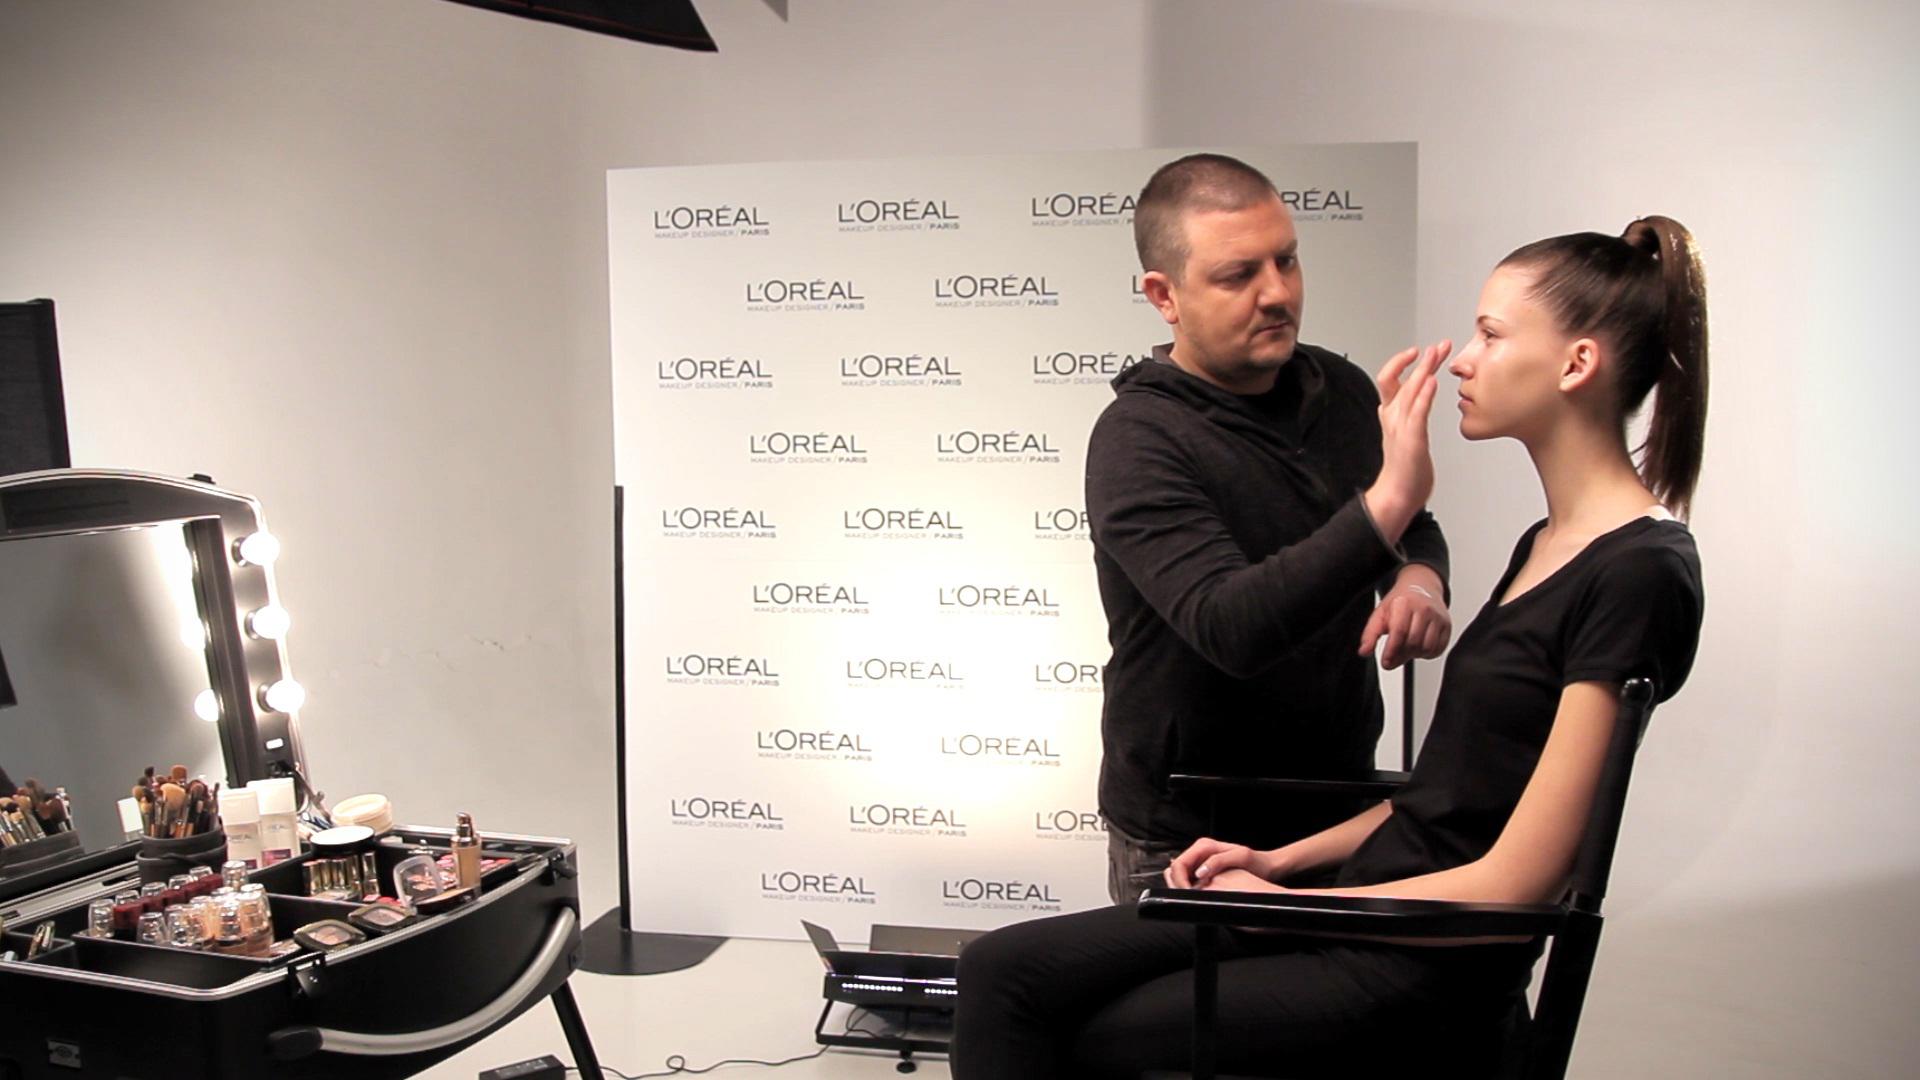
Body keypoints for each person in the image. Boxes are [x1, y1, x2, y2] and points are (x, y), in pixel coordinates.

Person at [954, 215, 1709, 1078]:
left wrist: (1284, 905)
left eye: (1492, 336)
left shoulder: (1638, 571)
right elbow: (1447, 795)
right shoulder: (1548, 542)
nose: (1462, 361)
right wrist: (1277, 863)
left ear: (1576, 365)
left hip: (1417, 960)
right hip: (1364, 908)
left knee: (1063, 1028)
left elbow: (1516, 887)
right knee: (1000, 971)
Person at [1091, 154, 1454, 903]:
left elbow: (1410, 528)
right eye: (1237, 276)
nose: (1277, 294)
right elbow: (1230, 626)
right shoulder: (1138, 439)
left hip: (1334, 809)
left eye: (1286, 261)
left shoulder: (1339, 389)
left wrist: (1418, 580)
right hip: (1185, 833)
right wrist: (1387, 505)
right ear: (1164, 295)